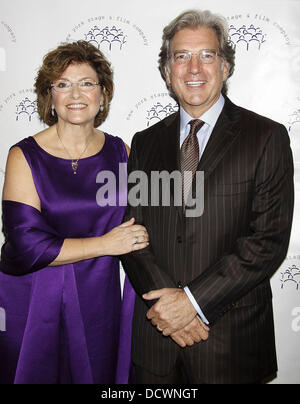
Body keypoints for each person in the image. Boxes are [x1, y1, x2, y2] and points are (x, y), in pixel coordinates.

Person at [121, 9, 294, 384]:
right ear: (167, 72)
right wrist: (169, 308)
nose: (193, 68)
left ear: (226, 65)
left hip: (230, 345)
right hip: (157, 342)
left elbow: (267, 242)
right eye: (181, 57)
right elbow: (132, 234)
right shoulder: (145, 143)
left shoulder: (266, 137)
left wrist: (192, 304)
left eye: (207, 55)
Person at [0, 40, 148, 384]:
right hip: (35, 294)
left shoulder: (121, 152)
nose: (75, 93)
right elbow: (25, 245)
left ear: (103, 94)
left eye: (86, 83)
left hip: (99, 292)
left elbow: (144, 220)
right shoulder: (24, 155)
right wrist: (105, 245)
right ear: (49, 96)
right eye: (62, 84)